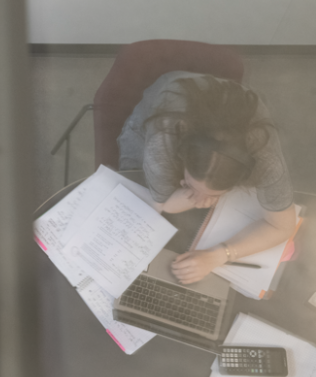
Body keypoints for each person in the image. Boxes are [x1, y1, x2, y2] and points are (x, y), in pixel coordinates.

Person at [118, 71, 296, 285]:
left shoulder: (265, 156)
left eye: (214, 194)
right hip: (149, 125)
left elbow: (284, 226)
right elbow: (162, 204)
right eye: (192, 185)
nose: (201, 199)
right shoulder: (163, 140)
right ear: (182, 156)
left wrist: (220, 255)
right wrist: (192, 198)